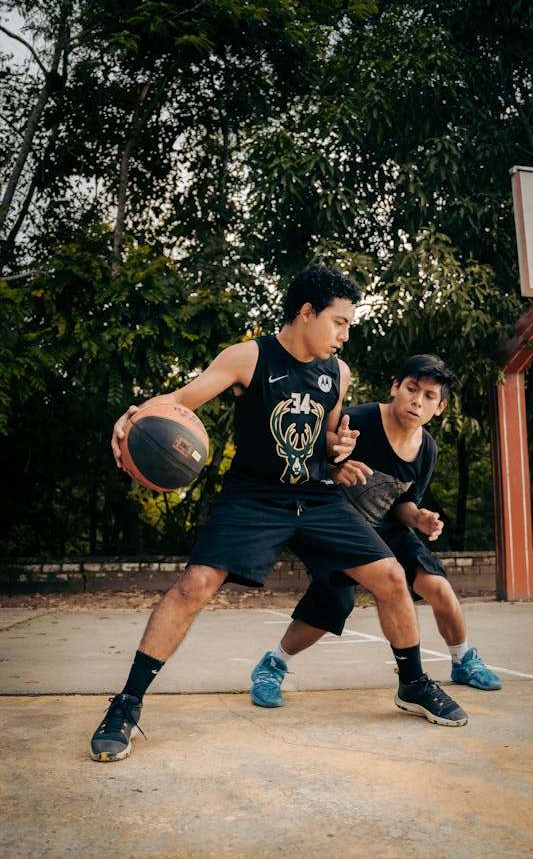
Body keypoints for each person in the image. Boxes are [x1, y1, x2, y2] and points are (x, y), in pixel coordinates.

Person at [90, 269, 467, 762]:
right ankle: (127, 704)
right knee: (193, 586)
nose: (344, 334)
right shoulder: (250, 356)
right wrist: (135, 414)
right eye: (338, 322)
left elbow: (328, 445)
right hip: (253, 496)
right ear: (306, 313)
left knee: (393, 577)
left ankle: (413, 684)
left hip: (314, 496)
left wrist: (342, 450)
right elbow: (182, 400)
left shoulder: (339, 372)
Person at [250, 353, 501, 712]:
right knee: (334, 603)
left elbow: (404, 502)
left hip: (387, 527)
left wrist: (419, 518)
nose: (417, 400)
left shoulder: (426, 448)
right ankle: (272, 665)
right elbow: (306, 459)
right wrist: (334, 467)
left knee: (438, 587)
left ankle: (463, 660)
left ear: (440, 407)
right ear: (395, 387)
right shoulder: (359, 420)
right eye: (412, 389)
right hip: (335, 525)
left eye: (429, 396)